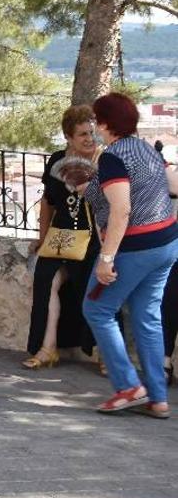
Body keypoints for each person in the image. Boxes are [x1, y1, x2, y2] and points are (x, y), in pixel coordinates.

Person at [82, 92, 178, 417]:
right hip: (166, 243)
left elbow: (121, 211)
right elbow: (173, 184)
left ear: (105, 123)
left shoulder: (113, 157)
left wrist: (106, 260)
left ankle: (127, 387)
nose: (95, 126)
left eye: (97, 120)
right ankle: (157, 397)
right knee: (147, 316)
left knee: (96, 308)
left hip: (134, 248)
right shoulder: (148, 149)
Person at [23, 105, 101, 369]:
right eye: (83, 134)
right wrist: (42, 237)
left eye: (92, 132)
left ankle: (106, 355)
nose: (90, 138)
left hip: (93, 240)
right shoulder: (57, 159)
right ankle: (47, 349)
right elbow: (48, 202)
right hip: (60, 238)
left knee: (98, 292)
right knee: (46, 282)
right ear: (69, 137)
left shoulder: (104, 160)